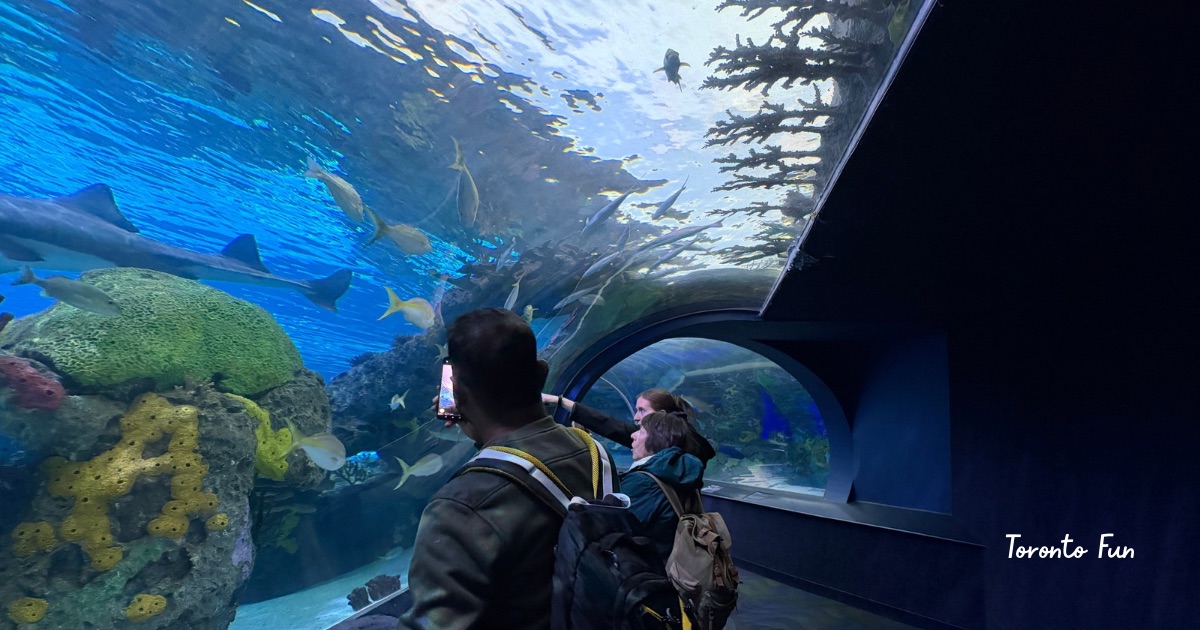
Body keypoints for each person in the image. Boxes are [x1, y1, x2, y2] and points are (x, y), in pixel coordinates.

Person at [399, 308, 611, 630]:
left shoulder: (461, 507)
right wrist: (478, 427)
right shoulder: (594, 452)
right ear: (541, 374)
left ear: (457, 393)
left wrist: (472, 419)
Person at [544, 387, 716, 462]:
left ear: (661, 414)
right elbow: (612, 426)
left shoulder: (680, 444)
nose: (635, 417)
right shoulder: (666, 438)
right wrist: (559, 401)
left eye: (642, 410)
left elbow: (614, 427)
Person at [621, 410, 706, 561]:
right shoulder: (679, 471)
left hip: (647, 565)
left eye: (641, 431)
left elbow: (618, 528)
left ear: (657, 438)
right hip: (677, 562)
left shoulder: (643, 482)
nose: (633, 435)